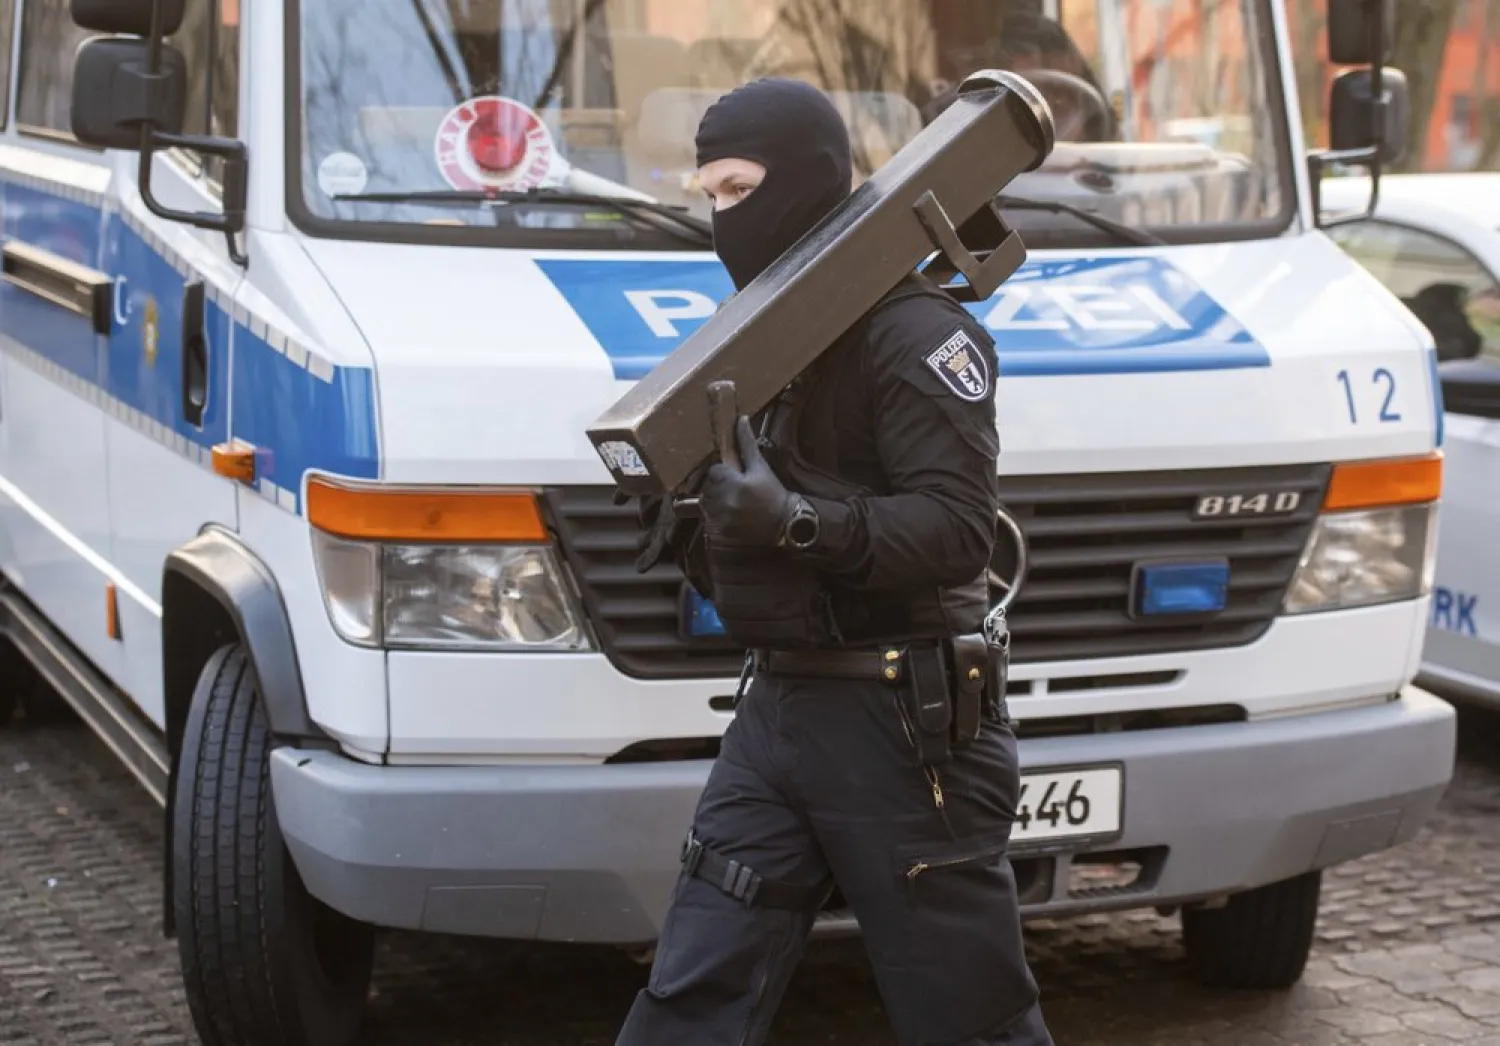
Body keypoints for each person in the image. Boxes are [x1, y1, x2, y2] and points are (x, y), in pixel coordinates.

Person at [616, 76, 1054, 1046]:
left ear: (809, 181)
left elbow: (957, 531)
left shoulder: (918, 333)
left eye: (738, 188)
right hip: (780, 711)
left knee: (969, 1018)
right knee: (690, 996)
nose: (723, 219)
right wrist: (691, 515)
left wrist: (796, 521)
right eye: (709, 198)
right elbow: (748, 542)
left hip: (908, 725)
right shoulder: (766, 344)